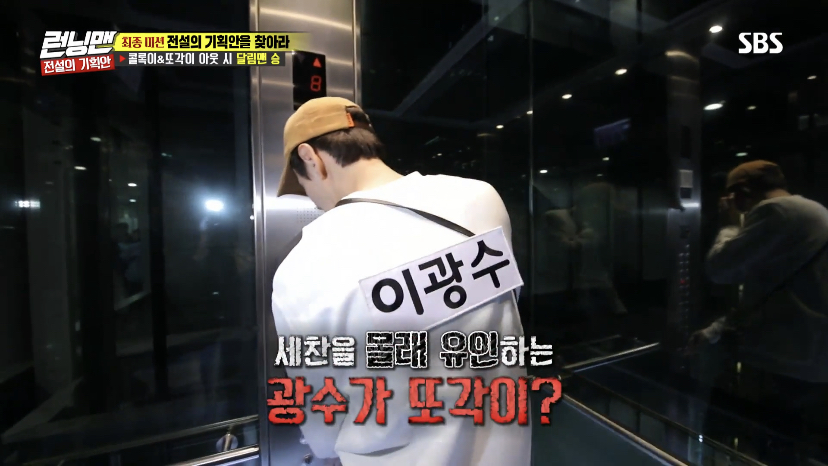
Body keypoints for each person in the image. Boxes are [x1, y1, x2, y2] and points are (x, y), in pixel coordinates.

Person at [271, 97, 531, 466]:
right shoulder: (481, 199)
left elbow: (322, 421)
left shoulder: (301, 266)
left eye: (302, 182)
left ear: (311, 157)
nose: (312, 200)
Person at [687, 160, 828, 457]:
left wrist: (729, 224)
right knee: (789, 443)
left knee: (763, 444)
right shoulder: (815, 211)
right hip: (809, 358)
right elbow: (771, 290)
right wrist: (715, 330)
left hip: (781, 360)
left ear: (741, 193)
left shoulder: (774, 211)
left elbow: (720, 268)